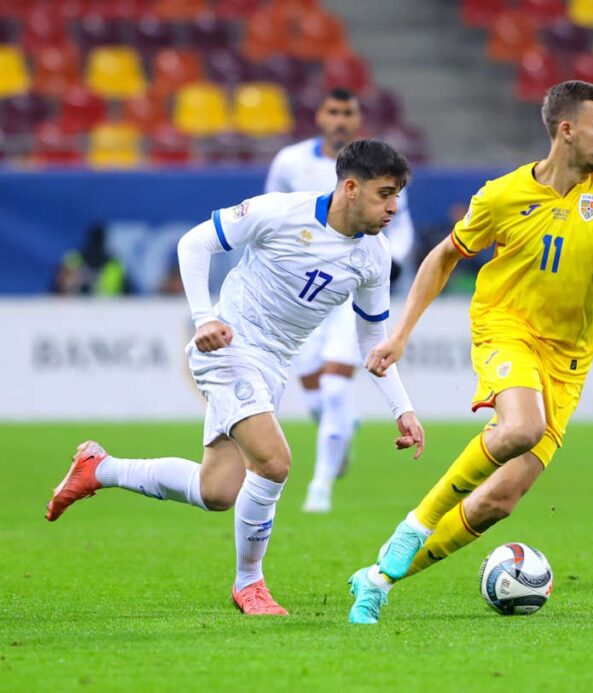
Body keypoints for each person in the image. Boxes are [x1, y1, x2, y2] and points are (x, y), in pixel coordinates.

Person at [45, 140, 426, 616]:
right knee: (274, 462)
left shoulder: (374, 255)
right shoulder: (281, 212)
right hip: (228, 347)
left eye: (397, 196)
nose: (393, 208)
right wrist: (204, 317)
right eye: (385, 194)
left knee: (217, 491)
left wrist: (402, 407)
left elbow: (372, 338)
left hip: (274, 366)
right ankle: (250, 584)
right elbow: (194, 242)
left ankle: (100, 469)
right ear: (350, 187)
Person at [346, 80, 593, 624]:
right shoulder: (502, 195)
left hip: (568, 361)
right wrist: (399, 334)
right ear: (566, 131)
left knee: (498, 501)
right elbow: (444, 256)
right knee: (522, 427)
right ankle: (415, 525)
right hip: (506, 327)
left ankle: (378, 579)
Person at [265, 87, 416, 513]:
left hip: (349, 292)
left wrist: (394, 261)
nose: (340, 120)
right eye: (333, 111)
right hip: (302, 295)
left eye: (347, 112)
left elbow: (401, 225)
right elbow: (272, 209)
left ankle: (320, 487)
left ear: (356, 118)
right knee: (317, 396)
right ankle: (341, 430)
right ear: (320, 116)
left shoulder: (379, 171)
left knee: (334, 388)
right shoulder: (290, 162)